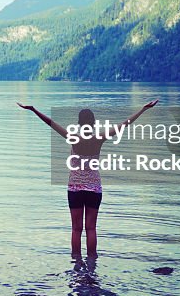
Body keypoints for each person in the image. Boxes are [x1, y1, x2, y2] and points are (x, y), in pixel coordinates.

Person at [17, 99, 159, 259]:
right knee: (91, 228)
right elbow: (124, 124)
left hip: (75, 189)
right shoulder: (99, 138)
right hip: (94, 188)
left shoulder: (73, 137)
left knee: (76, 229)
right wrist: (143, 109)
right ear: (93, 123)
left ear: (79, 123)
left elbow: (50, 123)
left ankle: (76, 263)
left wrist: (33, 109)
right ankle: (92, 263)